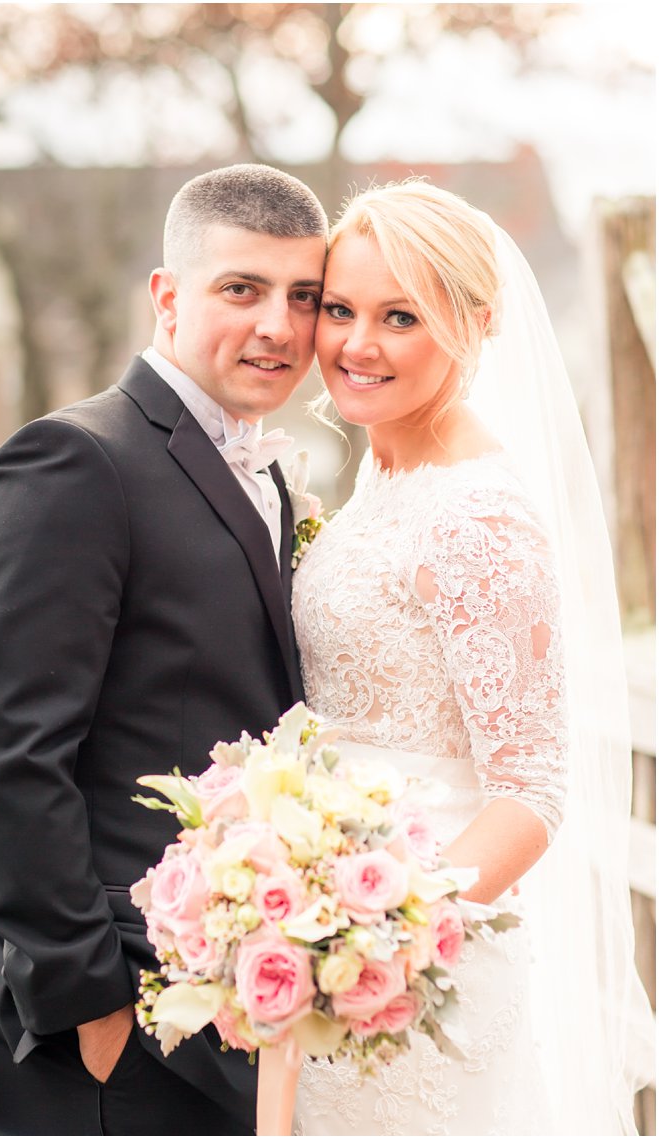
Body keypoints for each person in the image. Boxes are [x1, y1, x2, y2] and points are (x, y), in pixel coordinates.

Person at [0, 164, 327, 1135]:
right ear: (165, 296)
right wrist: (89, 998)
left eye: (303, 297)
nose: (277, 325)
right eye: (240, 289)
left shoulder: (265, 476)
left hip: (214, 1006)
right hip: (101, 1022)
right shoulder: (74, 460)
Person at [289, 179, 653, 1134]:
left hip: (414, 964)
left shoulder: (478, 515)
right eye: (340, 309)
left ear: (476, 323)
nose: (356, 344)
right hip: (314, 931)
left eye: (398, 316)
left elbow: (529, 786)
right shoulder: (385, 476)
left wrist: (381, 938)